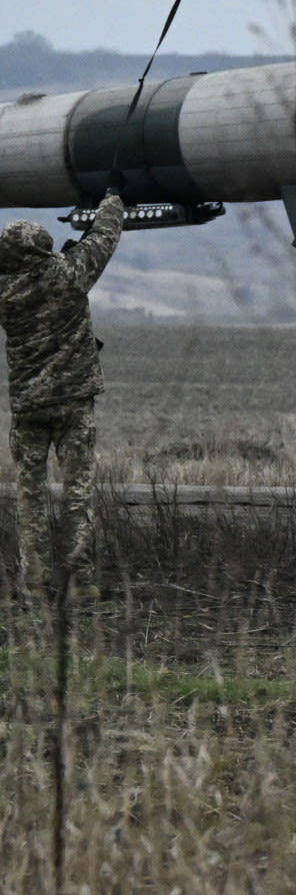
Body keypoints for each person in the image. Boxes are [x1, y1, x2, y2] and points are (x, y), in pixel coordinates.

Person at [2, 187, 125, 600]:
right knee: (77, 495)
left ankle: (34, 586)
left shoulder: (4, 294)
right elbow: (104, 238)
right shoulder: (69, 275)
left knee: (30, 500)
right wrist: (111, 199)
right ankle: (80, 584)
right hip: (74, 405)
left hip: (28, 409)